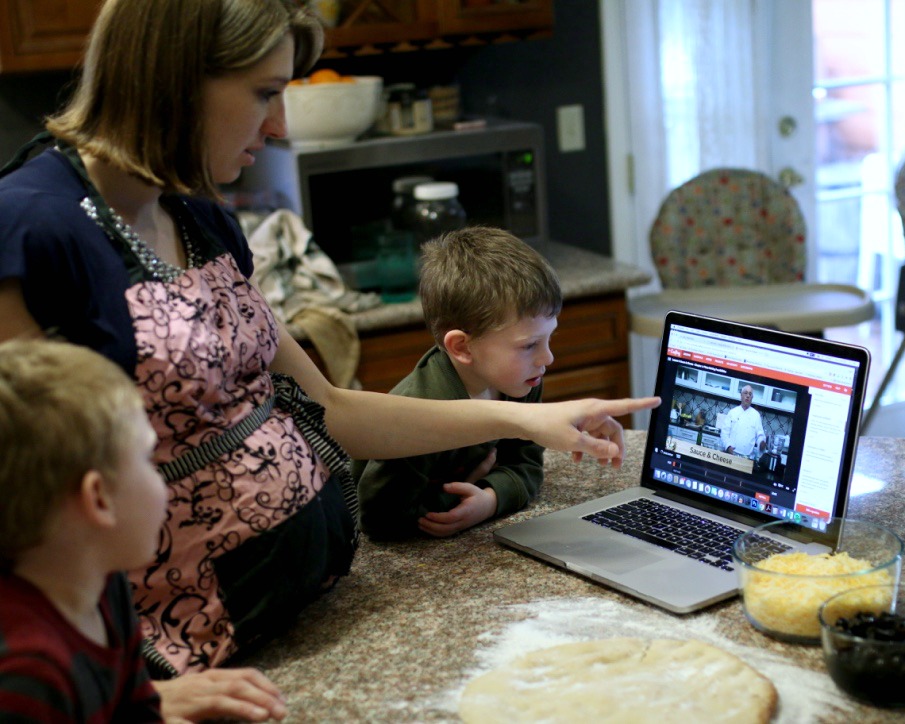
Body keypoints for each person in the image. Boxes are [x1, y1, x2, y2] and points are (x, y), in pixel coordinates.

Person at [0, 0, 657, 684]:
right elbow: (19, 520)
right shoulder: (30, 229)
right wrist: (137, 701)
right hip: (167, 665)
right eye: (265, 92)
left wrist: (527, 417)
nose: (280, 125)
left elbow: (332, 408)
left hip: (288, 617)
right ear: (176, 76)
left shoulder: (195, 213)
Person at [0, 338, 290, 723]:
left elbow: (139, 712)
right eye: (148, 458)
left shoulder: (102, 583)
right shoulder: (26, 676)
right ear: (99, 499)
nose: (162, 479)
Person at [357, 227, 560, 539]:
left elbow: (526, 464)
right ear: (463, 347)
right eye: (530, 345)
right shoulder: (421, 413)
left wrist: (490, 499)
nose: (547, 358)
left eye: (549, 338)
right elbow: (378, 517)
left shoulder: (522, 379)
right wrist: (457, 497)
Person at [723, 385, 766, 458]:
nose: (748, 396)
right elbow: (724, 432)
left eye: (750, 394)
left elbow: (760, 435)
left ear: (752, 398)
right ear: (741, 395)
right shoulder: (732, 412)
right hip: (731, 454)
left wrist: (761, 443)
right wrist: (728, 446)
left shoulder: (756, 415)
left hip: (747, 457)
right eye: (745, 393)